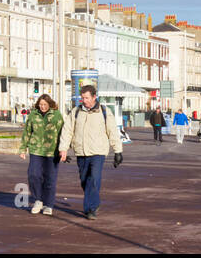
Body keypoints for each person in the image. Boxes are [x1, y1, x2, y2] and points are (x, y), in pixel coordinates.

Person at [58, 84, 123, 220]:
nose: (84, 101)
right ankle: (95, 201)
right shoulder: (76, 112)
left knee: (93, 179)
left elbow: (112, 131)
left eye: (87, 98)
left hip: (98, 152)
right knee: (84, 180)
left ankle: (90, 209)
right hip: (81, 152)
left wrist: (118, 151)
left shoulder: (104, 111)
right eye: (82, 98)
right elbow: (67, 130)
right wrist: (63, 149)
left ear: (94, 97)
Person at [19, 93, 63, 216]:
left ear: (50, 104)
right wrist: (23, 149)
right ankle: (38, 200)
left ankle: (48, 204)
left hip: (52, 151)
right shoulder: (33, 115)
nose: (42, 107)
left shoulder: (56, 115)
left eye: (45, 104)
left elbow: (62, 133)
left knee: (50, 178)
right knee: (33, 175)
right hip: (36, 150)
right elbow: (27, 131)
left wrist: (63, 149)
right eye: (41, 104)